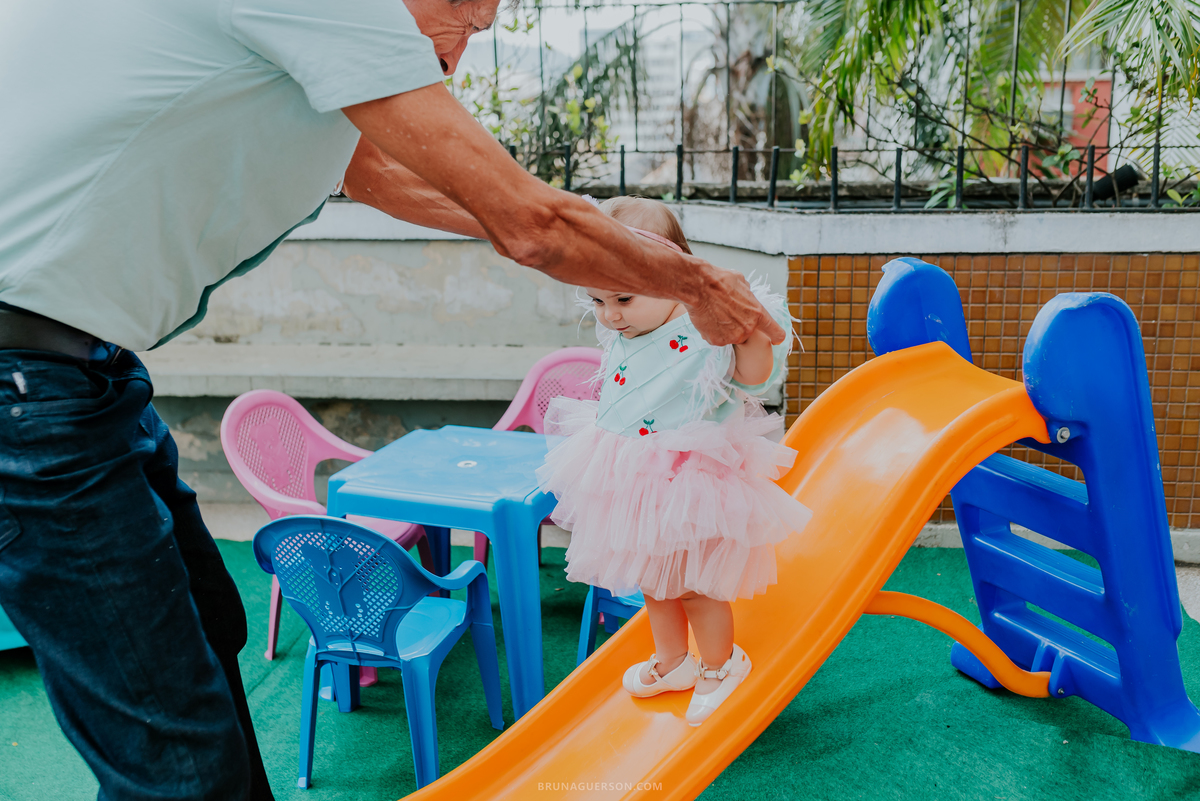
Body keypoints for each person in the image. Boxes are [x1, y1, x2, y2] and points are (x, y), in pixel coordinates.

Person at [0, 0, 784, 797]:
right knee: (178, 762)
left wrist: (589, 242)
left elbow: (377, 175)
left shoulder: (308, 52)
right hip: (26, 385)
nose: (464, 48)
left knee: (210, 627)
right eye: (467, 19)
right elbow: (530, 224)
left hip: (85, 374)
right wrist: (694, 282)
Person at [536, 198, 813, 726]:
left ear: (673, 279)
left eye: (622, 297)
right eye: (597, 299)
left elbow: (755, 377)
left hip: (691, 479)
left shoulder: (704, 327)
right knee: (653, 579)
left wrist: (750, 325)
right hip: (630, 472)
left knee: (694, 585)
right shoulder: (623, 326)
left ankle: (721, 663)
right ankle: (673, 661)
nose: (610, 313)